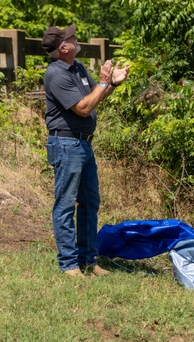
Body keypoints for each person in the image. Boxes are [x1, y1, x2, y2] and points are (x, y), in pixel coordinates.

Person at [42, 24, 129, 277]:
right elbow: (81, 108)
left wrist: (112, 83)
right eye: (72, 37)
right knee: (66, 205)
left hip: (84, 144)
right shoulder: (56, 74)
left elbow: (95, 95)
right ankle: (69, 264)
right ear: (63, 47)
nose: (76, 38)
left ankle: (89, 260)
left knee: (90, 202)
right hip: (66, 145)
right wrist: (103, 83)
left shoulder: (77, 68)